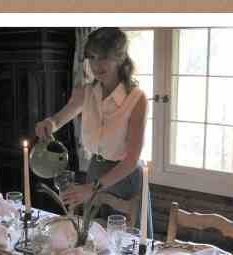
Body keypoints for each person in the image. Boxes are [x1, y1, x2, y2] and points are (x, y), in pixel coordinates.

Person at [35, 27, 153, 237]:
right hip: (95, 170)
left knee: (128, 248)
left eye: (104, 57)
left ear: (120, 57)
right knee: (92, 240)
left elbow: (131, 159)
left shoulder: (137, 99)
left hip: (125, 177)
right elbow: (60, 119)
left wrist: (93, 188)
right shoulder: (85, 92)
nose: (97, 65)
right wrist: (49, 124)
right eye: (92, 57)